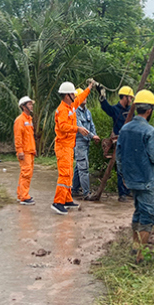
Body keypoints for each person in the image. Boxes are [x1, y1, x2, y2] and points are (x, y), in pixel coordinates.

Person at [116, 89, 154, 264]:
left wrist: (123, 175)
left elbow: (119, 156)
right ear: (149, 110)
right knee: (147, 216)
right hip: (147, 181)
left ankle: (135, 247)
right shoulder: (149, 131)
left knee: (138, 212)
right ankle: (141, 257)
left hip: (131, 180)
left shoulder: (125, 129)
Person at [51, 81, 94, 215]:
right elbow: (63, 127)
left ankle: (67, 199)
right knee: (64, 175)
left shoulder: (71, 107)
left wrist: (89, 88)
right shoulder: (62, 110)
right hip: (63, 146)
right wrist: (78, 128)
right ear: (67, 95)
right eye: (73, 94)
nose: (75, 96)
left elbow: (80, 98)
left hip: (69, 146)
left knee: (69, 174)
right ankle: (58, 202)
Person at [100, 85, 135, 202]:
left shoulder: (131, 111)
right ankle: (122, 194)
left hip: (129, 142)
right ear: (124, 97)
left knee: (129, 167)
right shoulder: (115, 110)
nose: (130, 100)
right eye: (130, 98)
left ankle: (128, 190)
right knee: (120, 168)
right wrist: (102, 97)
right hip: (119, 143)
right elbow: (106, 108)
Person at [72, 88, 100, 199]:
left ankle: (74, 189)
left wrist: (95, 135)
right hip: (79, 143)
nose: (85, 99)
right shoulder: (75, 112)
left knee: (79, 166)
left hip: (86, 142)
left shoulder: (87, 112)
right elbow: (81, 127)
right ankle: (86, 193)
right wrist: (92, 136)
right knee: (83, 168)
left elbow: (91, 125)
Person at [14, 96, 36, 205]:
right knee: (26, 173)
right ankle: (24, 197)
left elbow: (30, 136)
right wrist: (20, 151)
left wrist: (34, 149)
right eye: (29, 104)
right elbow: (18, 137)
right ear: (24, 106)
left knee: (25, 173)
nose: (31, 106)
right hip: (25, 152)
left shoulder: (29, 119)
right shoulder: (20, 120)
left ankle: (20, 194)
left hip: (30, 150)